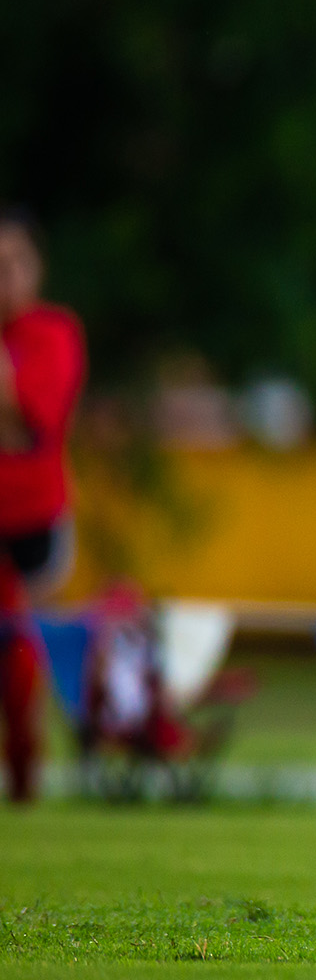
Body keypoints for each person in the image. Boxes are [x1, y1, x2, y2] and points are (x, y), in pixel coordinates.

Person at [0, 205, 87, 803]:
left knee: (19, 637)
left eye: (12, 264)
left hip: (29, 519)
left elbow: (35, 423)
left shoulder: (52, 335)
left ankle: (25, 755)